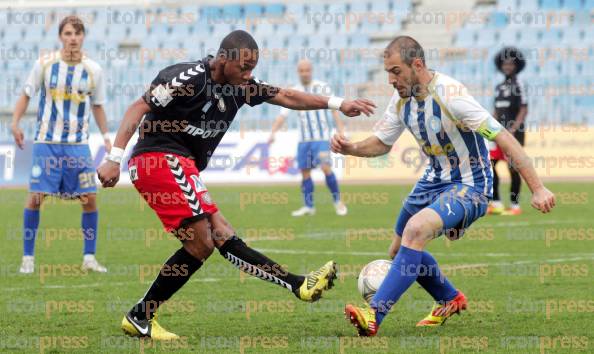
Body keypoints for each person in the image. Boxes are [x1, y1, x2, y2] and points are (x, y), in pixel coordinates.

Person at [96, 30, 376, 340]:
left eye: (252, 67)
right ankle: (140, 315)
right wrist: (114, 157)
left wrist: (338, 103)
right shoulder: (187, 77)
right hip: (158, 159)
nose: (249, 74)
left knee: (220, 234)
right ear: (223, 59)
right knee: (202, 242)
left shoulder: (242, 88)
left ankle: (299, 285)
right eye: (244, 66)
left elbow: (287, 96)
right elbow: (138, 108)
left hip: (180, 165)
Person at [331, 36, 555, 336]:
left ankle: (374, 315)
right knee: (398, 250)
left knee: (415, 229)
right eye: (387, 72)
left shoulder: (451, 95)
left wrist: (538, 188)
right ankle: (449, 299)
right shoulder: (400, 101)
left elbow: (502, 136)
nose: (390, 79)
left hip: (470, 183)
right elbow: (381, 143)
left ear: (418, 65)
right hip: (432, 180)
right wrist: (351, 149)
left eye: (395, 71)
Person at [11, 15, 110, 274]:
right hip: (46, 143)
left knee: (89, 199)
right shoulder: (44, 65)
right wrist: (15, 123)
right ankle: (28, 259)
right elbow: (26, 95)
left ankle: (89, 257)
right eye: (68, 33)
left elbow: (98, 106)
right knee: (35, 198)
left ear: (83, 37)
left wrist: (107, 136)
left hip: (78, 146)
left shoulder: (93, 70)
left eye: (77, 33)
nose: (73, 38)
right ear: (60, 37)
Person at [268, 59, 348, 216]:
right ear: (298, 72)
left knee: (326, 168)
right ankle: (309, 207)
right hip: (303, 140)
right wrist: (272, 133)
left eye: (307, 70)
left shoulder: (322, 87)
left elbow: (334, 111)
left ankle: (338, 202)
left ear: (311, 70)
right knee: (305, 172)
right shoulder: (293, 90)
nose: (305, 73)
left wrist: (341, 130)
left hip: (321, 138)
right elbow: (282, 115)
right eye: (301, 70)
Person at [488, 47, 528, 215]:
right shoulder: (499, 87)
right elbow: (496, 110)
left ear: (516, 66)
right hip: (497, 133)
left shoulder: (520, 85)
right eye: (504, 64)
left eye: (511, 64)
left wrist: (513, 128)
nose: (507, 66)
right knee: (490, 166)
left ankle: (515, 205)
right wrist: (489, 126)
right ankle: (496, 203)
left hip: (513, 134)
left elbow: (524, 109)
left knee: (513, 168)